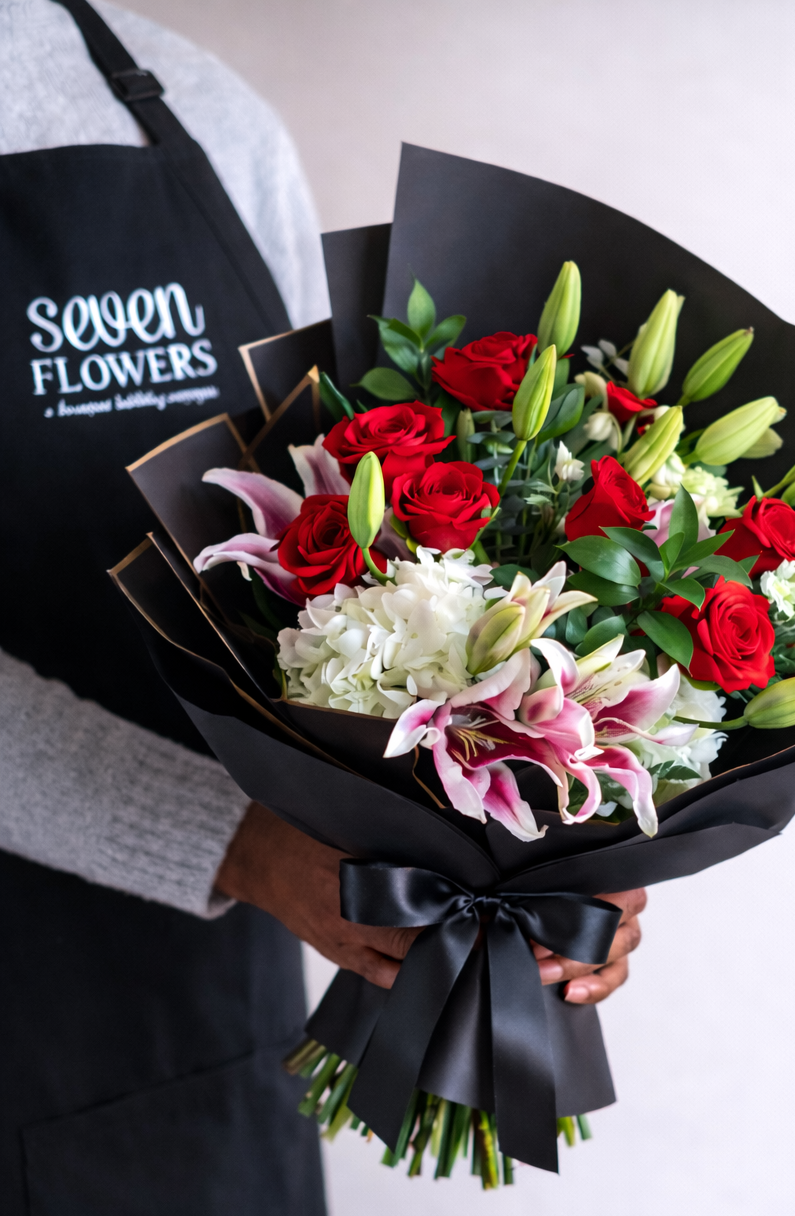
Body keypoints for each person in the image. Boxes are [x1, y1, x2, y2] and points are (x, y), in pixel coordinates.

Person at [0, 3, 646, 1211]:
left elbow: (333, 551)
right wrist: (234, 843)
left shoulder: (198, 111)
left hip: (192, 1053)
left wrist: (532, 829)